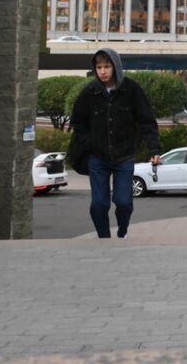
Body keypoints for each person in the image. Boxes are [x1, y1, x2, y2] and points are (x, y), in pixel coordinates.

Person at [67, 48, 160, 239]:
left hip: (124, 157)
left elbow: (147, 121)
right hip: (98, 158)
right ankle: (104, 238)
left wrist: (154, 149)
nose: (102, 71)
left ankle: (122, 230)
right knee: (99, 204)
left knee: (124, 202)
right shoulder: (89, 93)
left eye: (107, 66)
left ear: (115, 67)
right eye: (99, 67)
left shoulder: (132, 90)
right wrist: (89, 142)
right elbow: (78, 122)